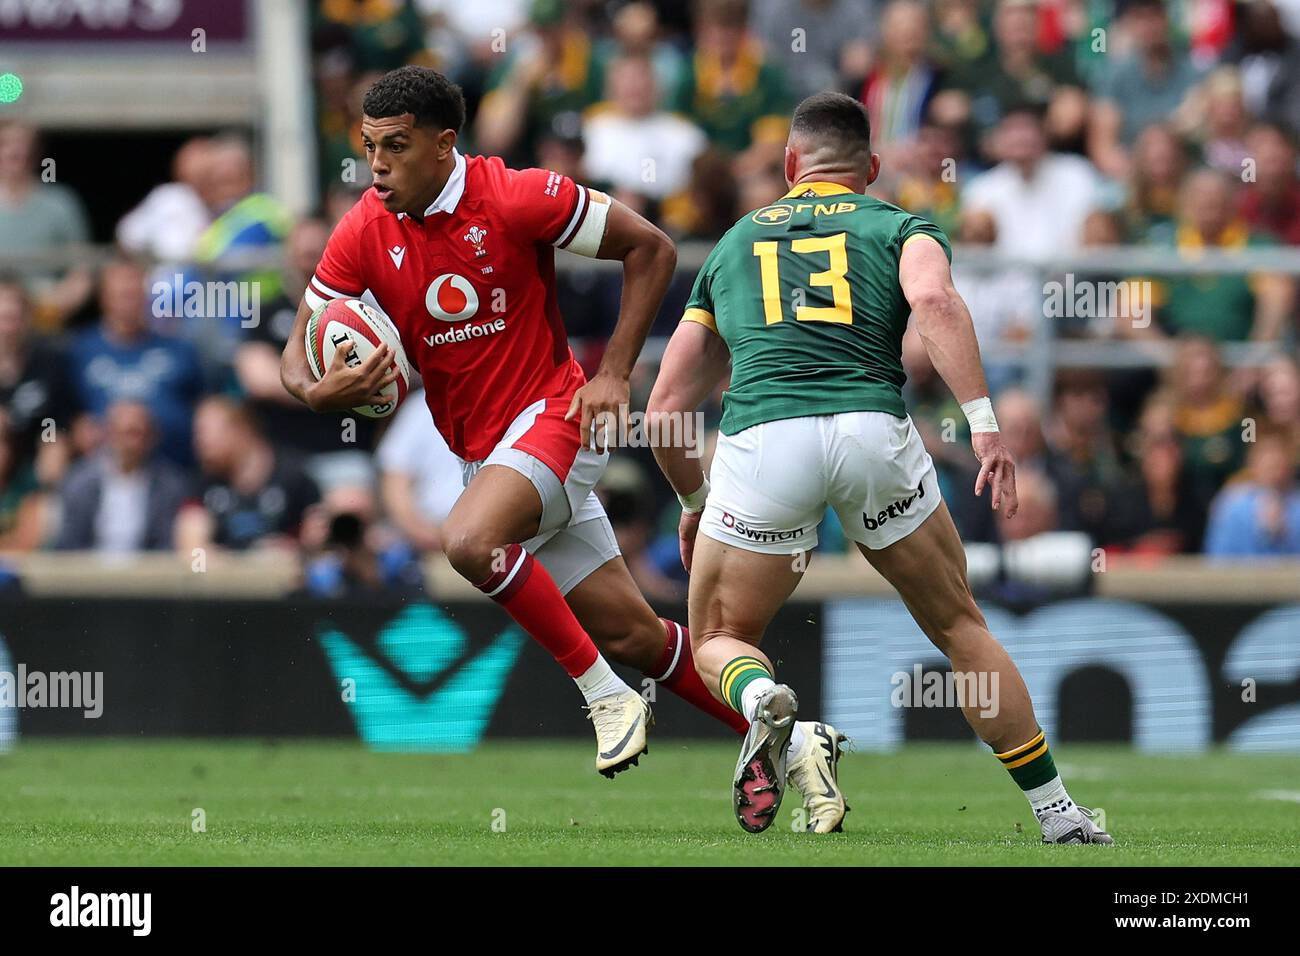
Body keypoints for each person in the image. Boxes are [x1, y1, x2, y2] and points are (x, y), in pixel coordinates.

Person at [647, 92, 1112, 843]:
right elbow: (935, 300)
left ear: (792, 165)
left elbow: (665, 404)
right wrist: (987, 428)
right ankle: (1058, 815)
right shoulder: (900, 224)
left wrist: (695, 499)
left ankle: (764, 695)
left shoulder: (731, 245)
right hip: (873, 431)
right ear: (867, 168)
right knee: (960, 626)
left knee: (718, 638)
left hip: (766, 441)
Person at [279, 66, 749, 780]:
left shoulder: (514, 194)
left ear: (444, 145)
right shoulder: (364, 228)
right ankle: (792, 734)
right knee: (633, 633)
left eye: (396, 146)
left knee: (468, 540)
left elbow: (649, 248)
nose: (377, 164)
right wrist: (315, 393)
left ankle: (607, 701)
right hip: (486, 452)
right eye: (370, 145)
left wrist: (616, 373)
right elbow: (297, 347)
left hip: (556, 413)